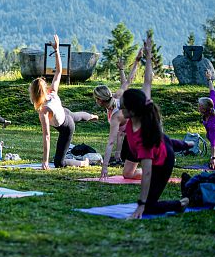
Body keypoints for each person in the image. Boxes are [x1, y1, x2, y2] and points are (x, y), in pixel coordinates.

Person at [122, 35, 189, 219]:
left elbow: (147, 173)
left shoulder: (143, 137)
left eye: (122, 104)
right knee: (164, 138)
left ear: (132, 110)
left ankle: (182, 203)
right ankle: (185, 144)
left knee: (149, 207)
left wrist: (140, 205)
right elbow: (147, 82)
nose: (120, 107)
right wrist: (148, 56)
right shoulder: (139, 110)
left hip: (164, 160)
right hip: (161, 142)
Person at [30, 35, 98, 169]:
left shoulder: (44, 111)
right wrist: (56, 50)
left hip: (66, 127)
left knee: (59, 163)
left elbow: (47, 137)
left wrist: (45, 161)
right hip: (64, 113)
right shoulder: (52, 91)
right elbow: (59, 71)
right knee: (78, 116)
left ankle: (83, 162)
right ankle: (92, 116)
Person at [94, 49, 143, 179]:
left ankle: (155, 170)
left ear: (100, 100)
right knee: (124, 159)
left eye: (96, 98)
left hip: (142, 134)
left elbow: (110, 142)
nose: (95, 101)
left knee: (128, 173)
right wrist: (136, 61)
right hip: (133, 136)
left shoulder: (116, 116)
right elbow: (128, 81)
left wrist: (104, 167)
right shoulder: (115, 97)